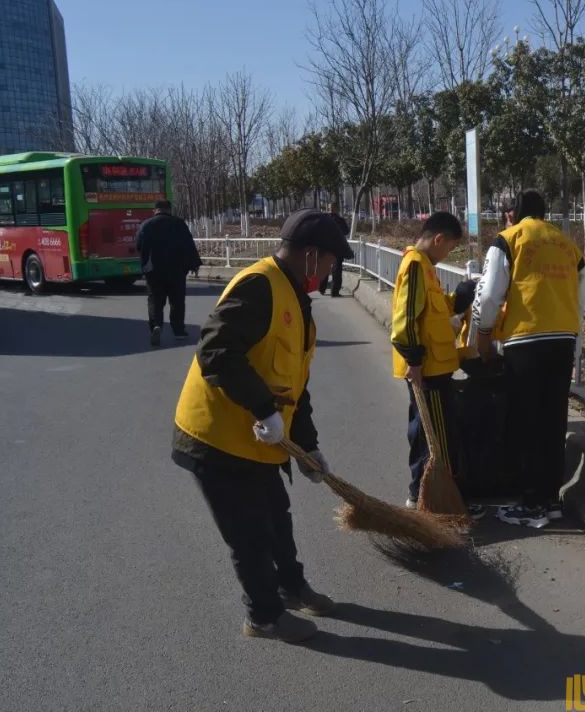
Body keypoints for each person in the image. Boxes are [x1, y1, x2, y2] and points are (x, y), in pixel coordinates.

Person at [172, 209, 353, 644]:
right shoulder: (260, 286)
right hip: (216, 438)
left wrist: (308, 447)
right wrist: (262, 410)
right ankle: (264, 617)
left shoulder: (295, 296)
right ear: (310, 256)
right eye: (331, 261)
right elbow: (215, 351)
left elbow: (296, 384)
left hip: (257, 441)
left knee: (277, 518)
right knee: (250, 535)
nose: (333, 270)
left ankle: (291, 588)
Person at [472, 189, 585, 529]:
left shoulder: (508, 240)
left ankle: (531, 502)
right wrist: (575, 345)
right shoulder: (568, 245)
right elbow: (582, 302)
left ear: (514, 212)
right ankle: (550, 500)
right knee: (553, 421)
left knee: (526, 420)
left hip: (526, 340)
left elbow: (490, 294)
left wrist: (483, 332)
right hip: (563, 340)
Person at [390, 211, 477, 511]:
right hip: (427, 368)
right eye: (450, 247)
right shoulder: (415, 264)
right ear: (438, 239)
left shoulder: (425, 267)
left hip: (435, 366)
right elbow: (404, 319)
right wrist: (414, 359)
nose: (448, 253)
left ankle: (421, 496)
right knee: (436, 438)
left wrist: (460, 299)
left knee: (427, 434)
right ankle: (437, 500)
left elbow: (435, 310)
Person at [136, 200, 202, 346]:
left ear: (156, 210)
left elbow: (139, 245)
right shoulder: (179, 224)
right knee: (177, 301)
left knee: (155, 301)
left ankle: (156, 326)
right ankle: (179, 331)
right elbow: (189, 245)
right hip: (176, 271)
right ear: (169, 210)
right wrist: (194, 264)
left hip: (154, 271)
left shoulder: (146, 225)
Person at [318, 203, 350, 297]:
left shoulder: (323, 219)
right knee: (337, 270)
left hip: (325, 247)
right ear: (336, 209)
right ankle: (335, 291)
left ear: (329, 209)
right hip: (337, 248)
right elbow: (346, 231)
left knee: (324, 267)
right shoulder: (340, 220)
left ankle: (321, 288)